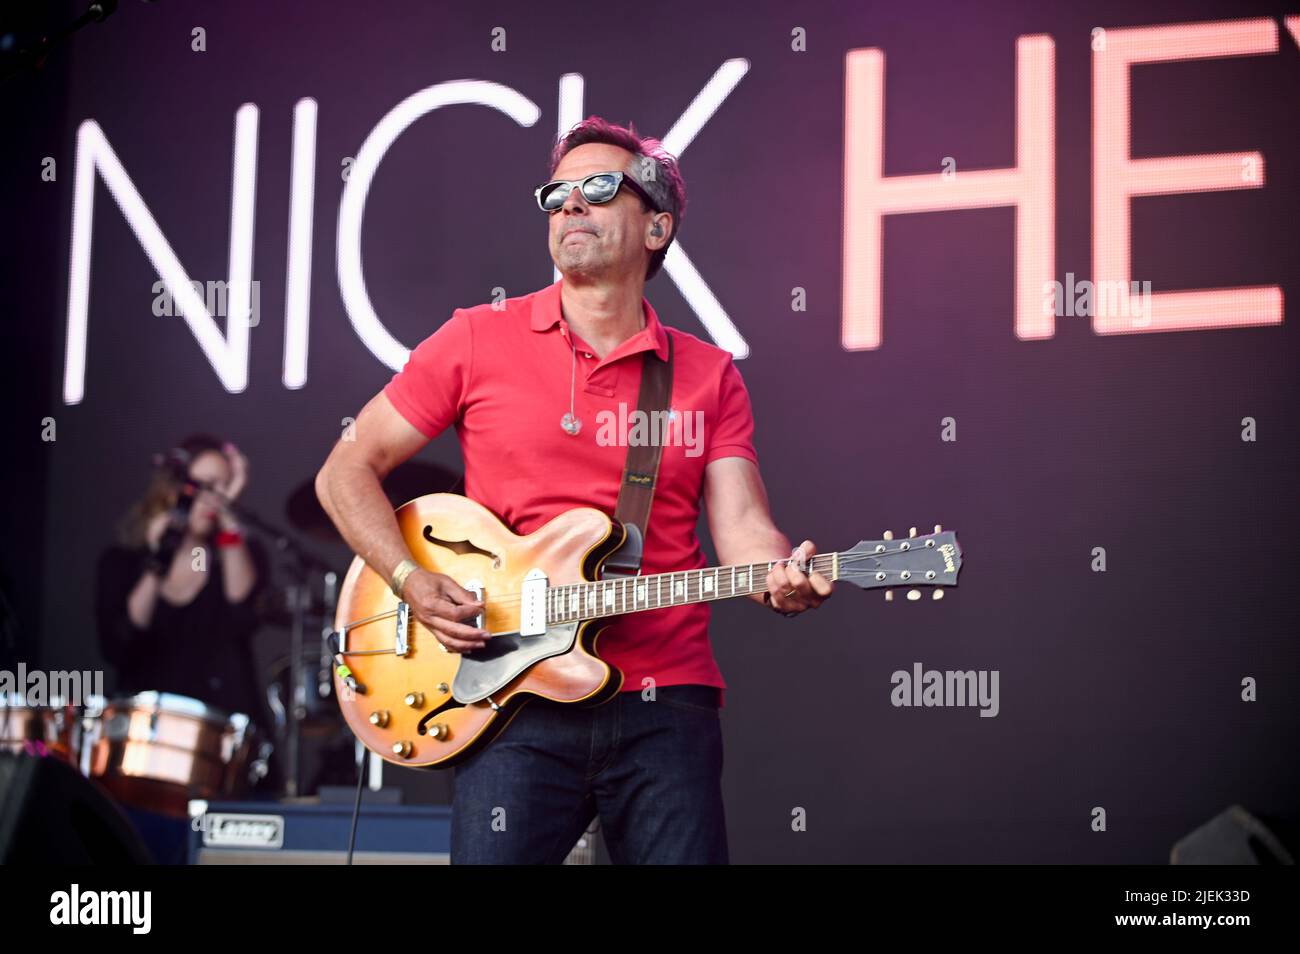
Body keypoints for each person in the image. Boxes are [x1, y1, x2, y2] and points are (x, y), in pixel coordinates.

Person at [314, 116, 833, 864]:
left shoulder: (707, 374)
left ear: (657, 228)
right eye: (556, 194)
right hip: (513, 700)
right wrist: (410, 579)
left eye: (597, 189)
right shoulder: (474, 338)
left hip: (667, 703)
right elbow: (345, 471)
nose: (569, 206)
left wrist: (783, 575)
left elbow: (746, 528)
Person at [96, 434, 267, 742]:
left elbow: (243, 613)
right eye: (204, 485)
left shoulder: (236, 554)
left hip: (222, 735)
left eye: (223, 487)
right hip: (145, 733)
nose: (213, 497)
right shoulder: (124, 560)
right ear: (173, 487)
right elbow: (122, 639)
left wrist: (229, 513)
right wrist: (160, 555)